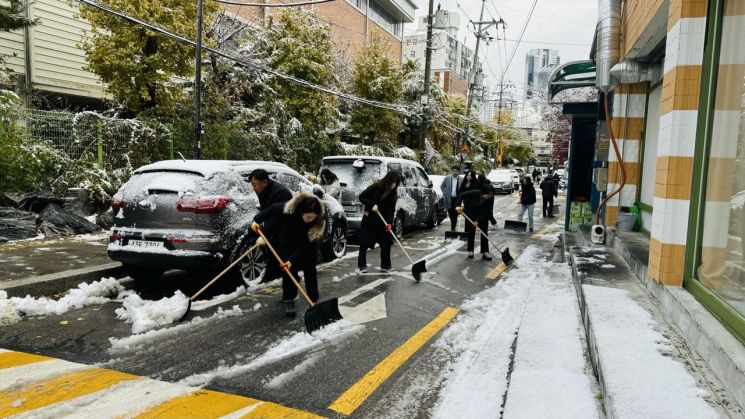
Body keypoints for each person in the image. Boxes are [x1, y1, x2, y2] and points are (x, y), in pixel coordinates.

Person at [252, 192, 325, 317]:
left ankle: (313, 300)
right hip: (288, 239)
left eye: (313, 217)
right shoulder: (290, 208)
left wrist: (293, 259)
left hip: (307, 243)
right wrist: (257, 220)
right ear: (301, 211)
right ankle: (289, 298)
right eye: (308, 217)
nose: (310, 220)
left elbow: (305, 245)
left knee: (310, 270)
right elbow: (272, 209)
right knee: (288, 269)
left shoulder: (317, 221)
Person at [357, 171, 400, 273]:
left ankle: (385, 265)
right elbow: (362, 196)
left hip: (383, 220)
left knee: (386, 242)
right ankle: (362, 265)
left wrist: (389, 223)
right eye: (393, 182)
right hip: (370, 219)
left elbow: (391, 210)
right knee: (364, 242)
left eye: (396, 183)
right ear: (388, 180)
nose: (394, 185)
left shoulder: (393, 194)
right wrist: (372, 205)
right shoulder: (376, 187)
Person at [456, 184, 497, 260]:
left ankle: (485, 252)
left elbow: (488, 211)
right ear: (483, 192)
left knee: (484, 232)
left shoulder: (491, 198)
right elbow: (461, 195)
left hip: (483, 215)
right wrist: (458, 205)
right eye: (487, 195)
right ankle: (470, 250)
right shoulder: (475, 193)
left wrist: (477, 221)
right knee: (471, 232)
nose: (489, 196)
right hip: (472, 214)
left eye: (491, 195)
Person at [440, 166, 462, 232]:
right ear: (452, 171)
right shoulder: (447, 178)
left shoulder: (461, 179)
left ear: (458, 172)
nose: (455, 172)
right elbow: (442, 186)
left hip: (457, 199)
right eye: (454, 171)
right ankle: (453, 224)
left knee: (455, 213)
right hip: (449, 199)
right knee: (450, 213)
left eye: (456, 171)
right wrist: (445, 193)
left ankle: (453, 227)